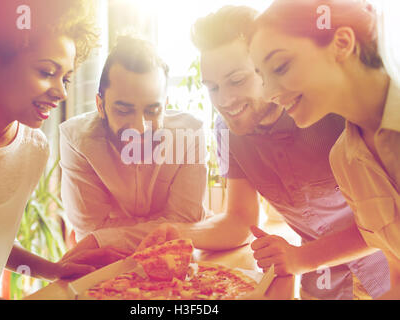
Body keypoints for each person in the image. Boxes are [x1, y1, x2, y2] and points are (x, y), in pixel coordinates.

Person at [140, 5, 390, 300]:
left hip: (388, 274)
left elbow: (387, 222)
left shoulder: (330, 108)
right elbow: (240, 220)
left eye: (237, 80)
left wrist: (302, 258)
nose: (225, 100)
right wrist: (181, 233)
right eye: (213, 87)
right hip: (321, 288)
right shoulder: (228, 131)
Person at [0, 0, 125, 300]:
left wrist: (54, 270)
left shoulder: (32, 150)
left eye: (66, 77)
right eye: (47, 71)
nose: (61, 91)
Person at [248, 0, 399, 299]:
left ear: (341, 42)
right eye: (263, 77)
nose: (268, 93)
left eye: (280, 66)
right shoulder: (344, 160)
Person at [58, 35, 208, 257]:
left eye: (152, 110)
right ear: (100, 105)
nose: (140, 128)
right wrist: (162, 225)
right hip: (107, 266)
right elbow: (90, 230)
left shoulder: (190, 133)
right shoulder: (76, 140)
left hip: (177, 259)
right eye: (124, 110)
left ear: (165, 106)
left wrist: (110, 234)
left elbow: (183, 222)